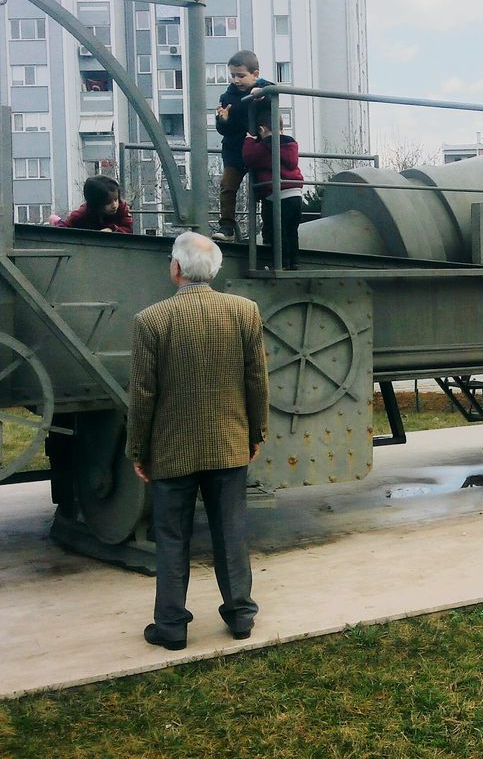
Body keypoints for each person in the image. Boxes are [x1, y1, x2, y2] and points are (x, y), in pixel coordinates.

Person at [127, 231, 268, 650]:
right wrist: (256, 431)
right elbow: (256, 379)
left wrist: (139, 449)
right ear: (216, 270)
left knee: (172, 537)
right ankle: (240, 616)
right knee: (231, 531)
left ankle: (171, 627)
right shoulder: (245, 312)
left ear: (176, 268)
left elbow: (143, 395)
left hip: (172, 450)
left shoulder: (150, 321)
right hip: (229, 443)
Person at [212, 50, 272, 241]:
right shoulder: (227, 97)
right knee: (228, 187)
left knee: (264, 189)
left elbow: (273, 93)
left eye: (241, 76)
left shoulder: (262, 90)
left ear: (255, 74)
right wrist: (223, 120)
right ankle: (227, 227)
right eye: (233, 76)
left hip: (257, 150)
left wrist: (261, 90)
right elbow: (222, 130)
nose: (236, 80)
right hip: (234, 151)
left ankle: (268, 228)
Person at [241, 118, 304, 269]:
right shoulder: (290, 145)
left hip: (276, 195)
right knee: (291, 231)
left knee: (276, 232)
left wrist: (249, 140)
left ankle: (280, 263)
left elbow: (248, 158)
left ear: (262, 130)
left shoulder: (267, 146)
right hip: (295, 193)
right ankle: (294, 263)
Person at [53, 175, 134, 233]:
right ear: (96, 204)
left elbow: (128, 228)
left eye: (116, 199)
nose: (114, 205)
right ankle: (56, 221)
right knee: (60, 224)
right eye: (108, 202)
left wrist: (112, 229)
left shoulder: (122, 207)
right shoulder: (82, 214)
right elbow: (64, 229)